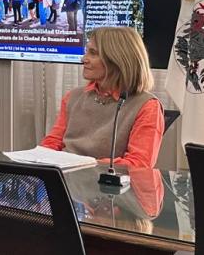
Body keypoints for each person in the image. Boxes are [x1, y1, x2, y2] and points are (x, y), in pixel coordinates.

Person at [39, 27, 164, 168]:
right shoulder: (72, 97)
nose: (83, 59)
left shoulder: (147, 106)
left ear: (117, 59)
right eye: (86, 52)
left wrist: (81, 165)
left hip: (108, 187)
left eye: (93, 53)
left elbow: (138, 164)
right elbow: (52, 143)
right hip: (64, 180)